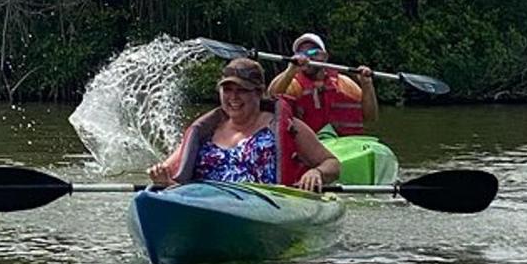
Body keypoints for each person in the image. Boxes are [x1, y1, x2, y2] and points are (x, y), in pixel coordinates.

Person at [147, 57, 341, 193]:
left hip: (264, 210)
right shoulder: (205, 132)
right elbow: (169, 174)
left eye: (242, 91)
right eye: (227, 90)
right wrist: (163, 179)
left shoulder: (288, 127)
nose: (233, 97)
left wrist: (316, 172)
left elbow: (332, 164)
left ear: (258, 93)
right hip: (206, 208)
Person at [267, 33, 378, 136]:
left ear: (324, 57)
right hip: (311, 149)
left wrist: (367, 85)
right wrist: (290, 70)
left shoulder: (343, 83)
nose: (307, 57)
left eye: (313, 53)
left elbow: (370, 117)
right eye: (301, 54)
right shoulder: (293, 84)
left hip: (345, 147)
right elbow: (271, 97)